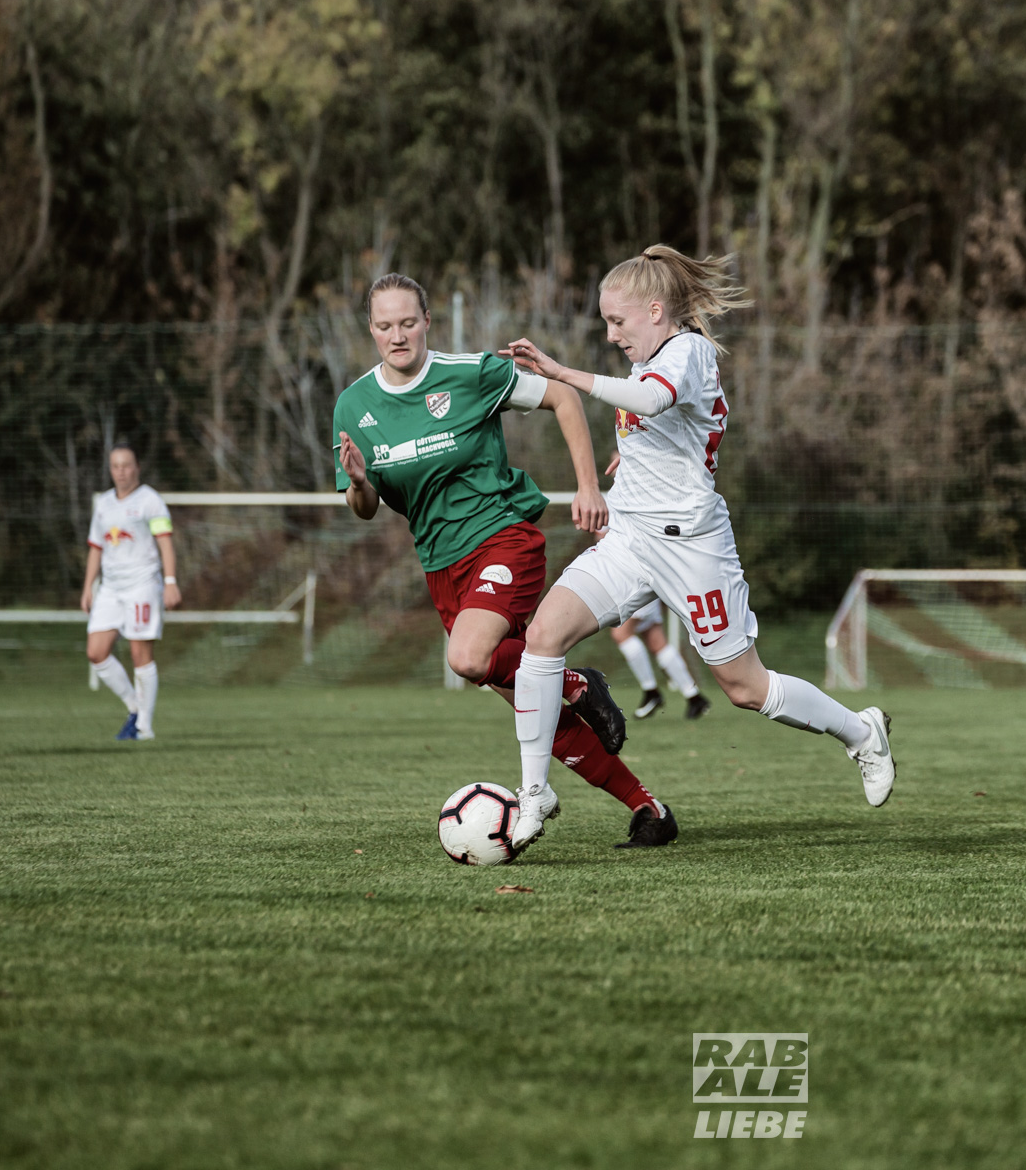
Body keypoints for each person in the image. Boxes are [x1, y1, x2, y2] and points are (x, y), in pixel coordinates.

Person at [503, 244, 895, 852]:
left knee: (745, 688)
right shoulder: (648, 357)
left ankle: (861, 731)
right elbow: (656, 423)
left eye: (617, 321)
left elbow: (653, 400)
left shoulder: (688, 352)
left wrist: (561, 373)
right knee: (542, 638)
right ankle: (534, 795)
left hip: (692, 550)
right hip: (631, 539)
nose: (610, 335)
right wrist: (627, 458)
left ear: (655, 310)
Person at [334, 273, 679, 849]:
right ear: (371, 330)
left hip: (503, 540)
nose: (398, 336)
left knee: (468, 657)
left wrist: (587, 487)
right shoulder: (355, 405)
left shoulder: (469, 375)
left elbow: (562, 397)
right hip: (443, 568)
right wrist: (358, 483)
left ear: (426, 322)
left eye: (408, 322)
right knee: (534, 708)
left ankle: (574, 680)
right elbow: (366, 509)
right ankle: (648, 808)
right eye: (385, 326)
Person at [82, 445, 181, 740]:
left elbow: (165, 542)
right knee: (96, 653)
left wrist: (171, 580)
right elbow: (96, 547)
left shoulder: (150, 500)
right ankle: (134, 707)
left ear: (137, 467)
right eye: (115, 466)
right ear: (110, 469)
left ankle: (144, 727)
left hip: (143, 584)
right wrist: (88, 586)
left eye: (126, 465)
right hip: (111, 588)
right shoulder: (103, 504)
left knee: (140, 653)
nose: (121, 471)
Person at [609, 598, 711, 720]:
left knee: (621, 634)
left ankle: (651, 692)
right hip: (647, 589)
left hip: (638, 587)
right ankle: (694, 697)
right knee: (656, 641)